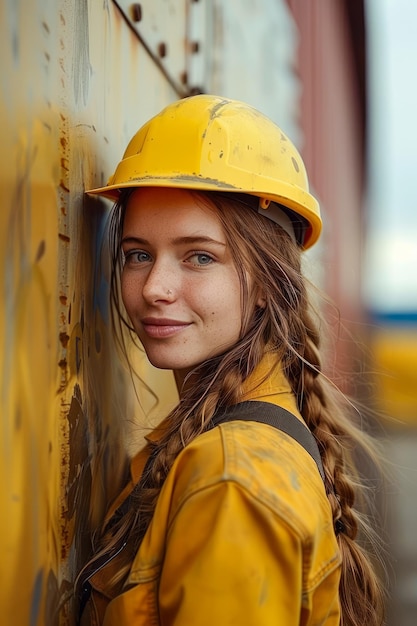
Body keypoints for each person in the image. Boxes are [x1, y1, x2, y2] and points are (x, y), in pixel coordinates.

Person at [78, 95, 385, 625]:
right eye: (138, 254)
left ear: (268, 281)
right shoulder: (214, 438)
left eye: (199, 257)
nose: (155, 287)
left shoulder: (232, 479)